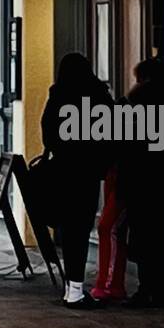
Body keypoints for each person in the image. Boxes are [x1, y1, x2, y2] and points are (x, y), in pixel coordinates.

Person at [40, 52, 113, 309]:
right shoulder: (97, 94)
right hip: (87, 173)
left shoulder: (57, 96)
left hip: (63, 171)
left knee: (69, 230)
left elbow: (48, 134)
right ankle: (76, 289)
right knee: (81, 230)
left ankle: (72, 289)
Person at [120, 65, 164, 310]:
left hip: (141, 180)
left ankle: (160, 289)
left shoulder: (144, 109)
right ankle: (160, 288)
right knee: (157, 238)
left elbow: (130, 145)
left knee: (144, 239)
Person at [92, 58, 163, 302]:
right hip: (133, 178)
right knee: (118, 229)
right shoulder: (146, 110)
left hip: (130, 178)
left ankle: (110, 283)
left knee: (110, 228)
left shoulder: (140, 110)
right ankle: (113, 283)